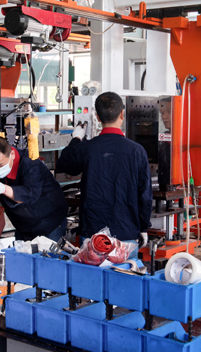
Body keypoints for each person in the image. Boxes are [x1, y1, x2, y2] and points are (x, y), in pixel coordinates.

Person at [57, 92, 152, 244]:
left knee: (91, 262)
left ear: (97, 117)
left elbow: (64, 164)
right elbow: (144, 195)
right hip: (126, 234)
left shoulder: (88, 148)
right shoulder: (137, 151)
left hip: (93, 235)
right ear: (122, 114)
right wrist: (144, 228)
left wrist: (76, 138)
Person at [0, 135, 68, 242]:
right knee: (21, 254)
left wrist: (3, 188)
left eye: (0, 165)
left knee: (49, 255)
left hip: (50, 222)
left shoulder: (30, 163)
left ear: (12, 154)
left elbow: (30, 195)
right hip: (22, 225)